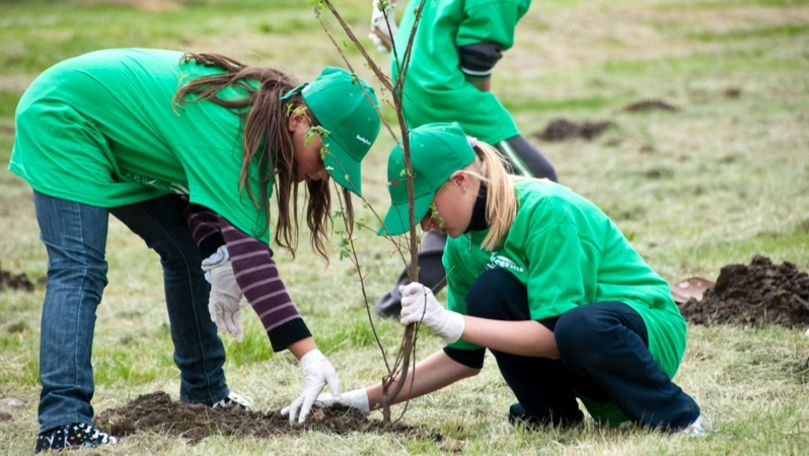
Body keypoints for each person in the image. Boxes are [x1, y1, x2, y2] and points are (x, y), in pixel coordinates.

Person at [9, 48, 381, 452]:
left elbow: (199, 195)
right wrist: (309, 355)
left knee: (187, 252)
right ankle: (63, 424)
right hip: (65, 116)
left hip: (107, 131)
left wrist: (215, 255)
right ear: (299, 120)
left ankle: (204, 391)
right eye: (329, 156)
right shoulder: (233, 130)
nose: (326, 172)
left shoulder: (260, 122)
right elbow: (254, 264)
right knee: (79, 269)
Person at [317, 122, 704, 434]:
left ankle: (680, 418)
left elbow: (556, 336)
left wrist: (453, 321)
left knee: (577, 325)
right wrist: (364, 400)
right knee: (491, 290)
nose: (422, 223)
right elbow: (462, 358)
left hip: (644, 331)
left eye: (425, 206)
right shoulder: (462, 247)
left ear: (461, 181)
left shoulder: (547, 211)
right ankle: (551, 417)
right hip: (581, 340)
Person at [368, 0, 559, 318]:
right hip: (444, 87)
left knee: (452, 189)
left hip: (417, 73)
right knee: (538, 182)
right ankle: (551, 289)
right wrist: (479, 106)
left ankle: (401, 300)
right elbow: (478, 57)